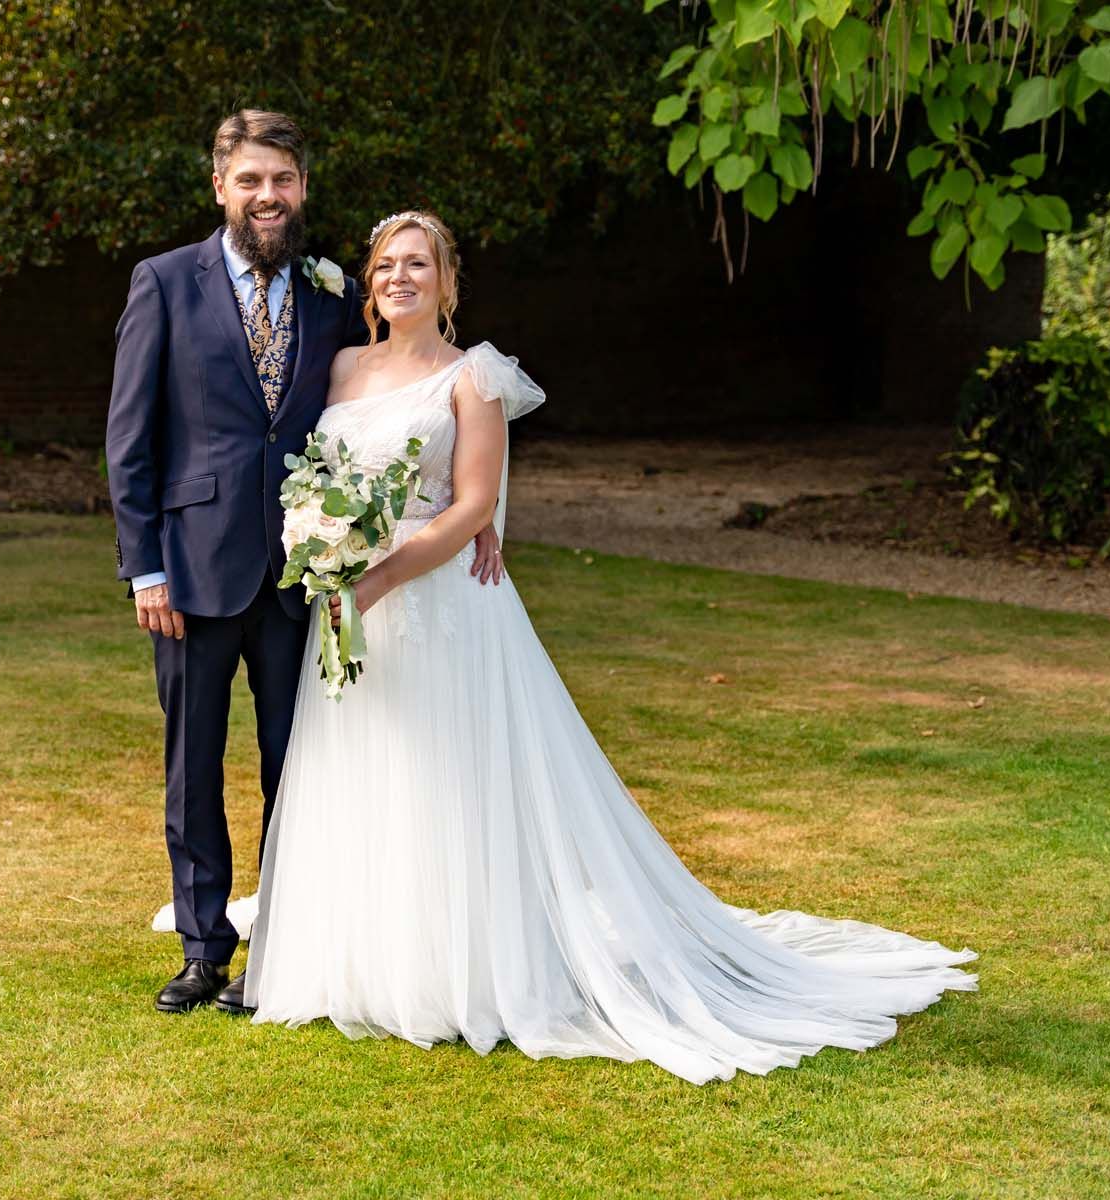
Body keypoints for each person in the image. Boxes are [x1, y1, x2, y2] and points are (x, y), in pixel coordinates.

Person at [240, 210, 979, 1084]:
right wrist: (327, 554)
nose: (400, 277)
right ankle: (359, 957)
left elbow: (473, 508)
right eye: (386, 266)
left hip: (431, 601)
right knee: (367, 767)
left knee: (449, 777)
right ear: (369, 283)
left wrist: (376, 579)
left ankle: (458, 972)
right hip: (350, 603)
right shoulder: (341, 367)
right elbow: (323, 480)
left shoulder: (471, 378)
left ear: (447, 282)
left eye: (418, 265)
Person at [105, 113, 503, 1016]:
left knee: (304, 768)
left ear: (302, 188)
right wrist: (146, 569)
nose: (267, 197)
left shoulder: (332, 304)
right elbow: (130, 440)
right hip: (194, 571)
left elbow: (399, 419)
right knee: (192, 763)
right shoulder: (165, 283)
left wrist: (475, 514)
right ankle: (205, 949)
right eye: (250, 180)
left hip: (302, 584)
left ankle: (288, 944)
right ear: (221, 187)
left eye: (282, 180)